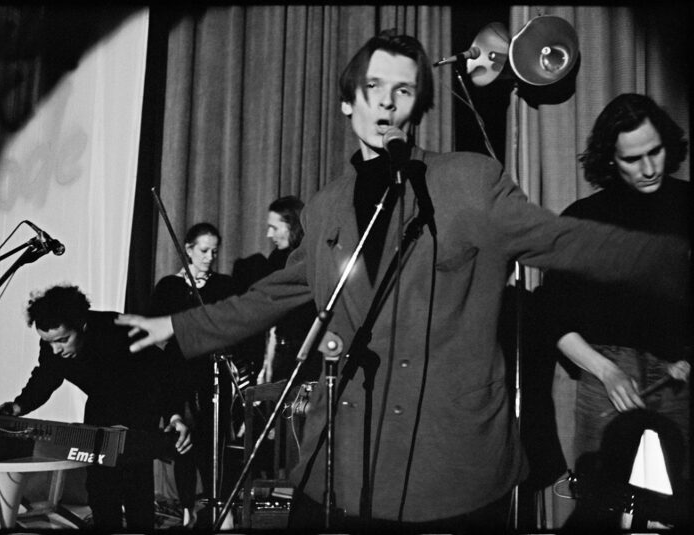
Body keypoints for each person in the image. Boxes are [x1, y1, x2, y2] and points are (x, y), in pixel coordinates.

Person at [116, 30, 689, 531]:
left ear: (418, 107)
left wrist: (669, 260)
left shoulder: (469, 181)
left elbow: (561, 240)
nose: (387, 102)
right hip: (341, 463)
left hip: (453, 465)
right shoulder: (324, 208)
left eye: (405, 90)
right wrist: (177, 324)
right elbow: (275, 293)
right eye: (373, 87)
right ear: (348, 103)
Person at [541, 94, 690, 516]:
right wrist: (607, 372)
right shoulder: (583, 219)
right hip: (606, 376)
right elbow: (552, 318)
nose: (648, 169)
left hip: (678, 379)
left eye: (655, 152)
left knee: (674, 507)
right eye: (633, 159)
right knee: (601, 508)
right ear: (610, 160)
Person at [0, 284, 193, 530]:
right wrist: (18, 405)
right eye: (49, 342)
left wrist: (174, 416)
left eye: (63, 340)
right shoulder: (53, 345)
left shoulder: (117, 330)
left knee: (135, 483)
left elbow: (161, 375)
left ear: (82, 325)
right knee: (99, 487)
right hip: (102, 402)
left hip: (142, 400)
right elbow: (46, 377)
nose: (56, 349)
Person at [148, 222, 241, 517]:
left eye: (214, 251)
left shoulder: (223, 285)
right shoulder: (169, 287)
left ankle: (219, 507)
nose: (209, 257)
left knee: (215, 441)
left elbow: (234, 327)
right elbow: (155, 330)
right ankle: (187, 507)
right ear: (188, 249)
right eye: (203, 250)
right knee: (184, 439)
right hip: (179, 369)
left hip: (213, 370)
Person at [233, 195, 320, 384]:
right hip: (282, 354)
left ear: (293, 226)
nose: (269, 235)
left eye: (274, 228)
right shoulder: (276, 259)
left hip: (311, 355)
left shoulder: (314, 258)